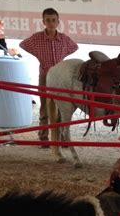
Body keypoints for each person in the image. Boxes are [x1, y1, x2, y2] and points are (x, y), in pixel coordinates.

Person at [19, 8, 78, 143]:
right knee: (45, 107)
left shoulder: (63, 39)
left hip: (60, 78)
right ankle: (44, 137)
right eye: (48, 20)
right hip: (45, 76)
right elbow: (23, 44)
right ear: (43, 22)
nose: (51, 23)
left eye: (53, 20)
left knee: (62, 107)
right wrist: (38, 55)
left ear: (58, 22)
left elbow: (75, 47)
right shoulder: (37, 38)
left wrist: (63, 57)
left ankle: (62, 138)